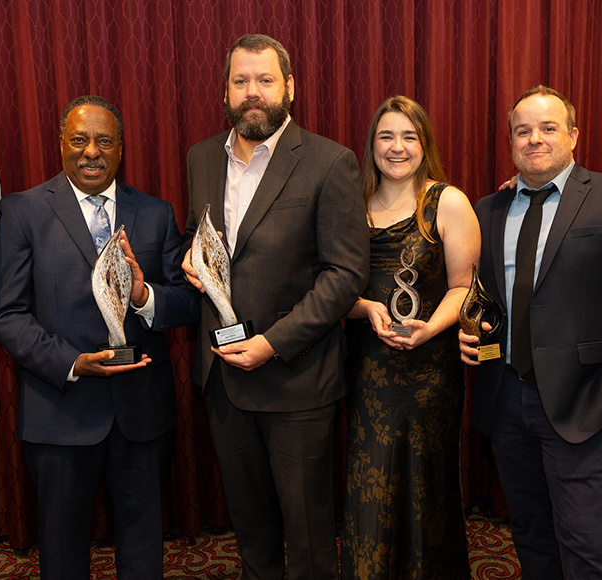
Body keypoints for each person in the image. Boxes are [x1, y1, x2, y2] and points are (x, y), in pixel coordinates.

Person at [181, 34, 370, 580]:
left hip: (296, 382)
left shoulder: (330, 162)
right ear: (225, 92)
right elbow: (197, 237)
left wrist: (273, 343)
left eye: (265, 80)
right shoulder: (200, 157)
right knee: (251, 532)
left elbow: (345, 274)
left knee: (309, 541)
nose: (252, 92)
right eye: (241, 81)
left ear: (291, 87)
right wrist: (188, 260)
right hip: (223, 380)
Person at [0, 95, 198, 579]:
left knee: (144, 545)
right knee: (62, 552)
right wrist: (71, 362)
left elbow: (187, 303)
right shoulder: (23, 212)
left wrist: (145, 296)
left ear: (121, 149)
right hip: (60, 413)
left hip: (141, 413)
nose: (91, 152)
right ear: (61, 145)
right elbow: (7, 313)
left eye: (104, 141)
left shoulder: (155, 213)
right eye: (79, 140)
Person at [458, 86, 602, 579]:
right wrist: (471, 335)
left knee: (588, 543)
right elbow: (483, 297)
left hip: (585, 403)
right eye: (523, 130)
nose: (535, 139)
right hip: (506, 399)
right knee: (531, 534)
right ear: (510, 141)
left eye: (548, 128)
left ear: (573, 135)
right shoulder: (488, 210)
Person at [341, 96, 478, 579]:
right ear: (371, 145)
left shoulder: (448, 201)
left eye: (409, 136)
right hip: (365, 372)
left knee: (423, 487)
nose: (397, 147)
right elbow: (331, 285)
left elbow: (465, 287)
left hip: (429, 376)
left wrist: (429, 330)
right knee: (369, 487)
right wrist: (364, 307)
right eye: (386, 136)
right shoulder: (350, 202)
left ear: (425, 144)